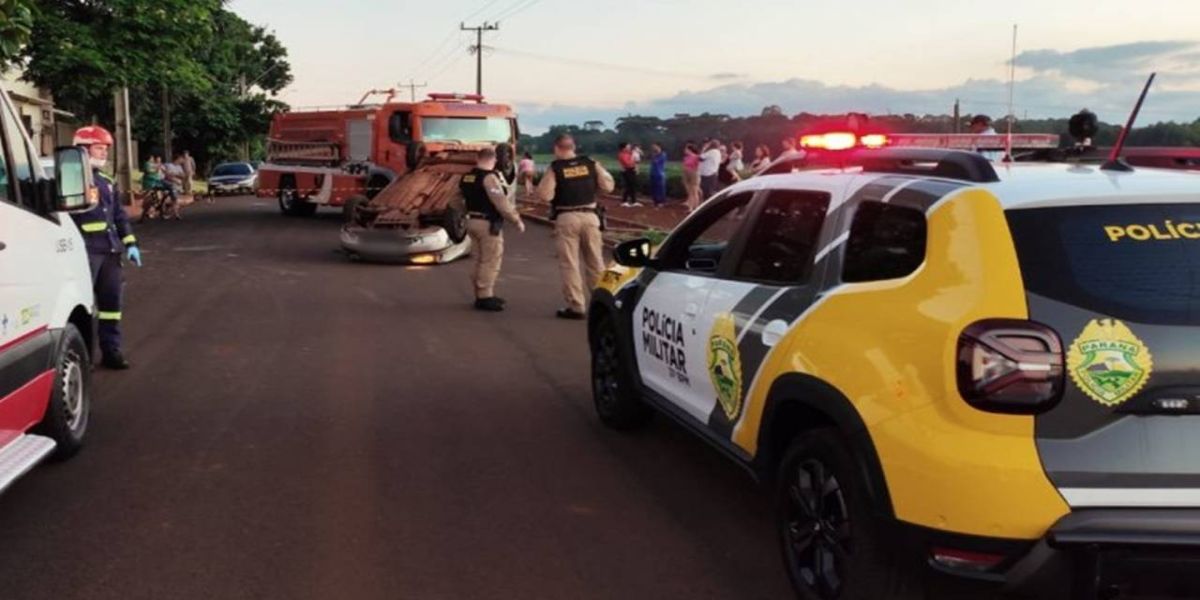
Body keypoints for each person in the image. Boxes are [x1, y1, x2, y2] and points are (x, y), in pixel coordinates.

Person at [69, 126, 141, 370]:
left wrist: (130, 243)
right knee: (84, 308)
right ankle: (83, 358)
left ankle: (111, 351)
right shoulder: (71, 179)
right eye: (99, 148)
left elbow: (119, 216)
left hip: (110, 251)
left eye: (105, 149)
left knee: (112, 307)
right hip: (86, 252)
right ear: (83, 149)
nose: (104, 153)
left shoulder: (106, 182)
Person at [536, 133, 615, 320]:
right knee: (596, 262)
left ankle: (576, 306)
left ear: (557, 148)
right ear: (573, 147)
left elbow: (544, 195)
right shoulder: (590, 163)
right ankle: (602, 304)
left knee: (570, 264)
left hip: (567, 218)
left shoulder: (556, 168)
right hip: (590, 217)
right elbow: (608, 186)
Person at [460, 146, 526, 312]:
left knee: (477, 259)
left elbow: (455, 201)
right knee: (490, 260)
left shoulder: (466, 177)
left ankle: (479, 292)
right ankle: (485, 296)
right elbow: (501, 202)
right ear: (493, 159)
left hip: (471, 221)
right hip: (487, 224)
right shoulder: (489, 178)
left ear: (478, 158)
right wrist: (516, 220)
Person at [617, 142, 640, 207]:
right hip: (627, 171)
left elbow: (636, 160)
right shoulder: (622, 154)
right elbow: (628, 163)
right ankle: (624, 201)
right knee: (628, 186)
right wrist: (634, 162)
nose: (629, 147)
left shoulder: (630, 153)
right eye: (627, 146)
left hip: (632, 170)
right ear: (623, 148)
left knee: (633, 186)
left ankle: (634, 201)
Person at [682, 143, 701, 212]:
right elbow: (684, 166)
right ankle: (690, 208)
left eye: (686, 149)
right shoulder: (686, 157)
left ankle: (696, 208)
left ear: (690, 149)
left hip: (693, 174)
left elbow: (698, 166)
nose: (685, 150)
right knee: (689, 192)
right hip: (686, 174)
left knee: (694, 191)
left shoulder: (696, 157)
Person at [649, 143, 667, 207]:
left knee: (660, 188)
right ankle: (655, 201)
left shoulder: (663, 154)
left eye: (654, 146)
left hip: (659, 173)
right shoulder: (654, 154)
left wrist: (654, 156)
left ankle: (661, 201)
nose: (653, 148)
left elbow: (656, 161)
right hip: (653, 172)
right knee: (653, 188)